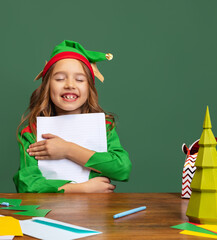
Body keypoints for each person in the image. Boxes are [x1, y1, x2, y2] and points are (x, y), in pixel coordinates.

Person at [13, 40, 132, 193]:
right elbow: (26, 184)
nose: (70, 85)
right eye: (60, 79)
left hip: (96, 213)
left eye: (80, 79)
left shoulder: (104, 126)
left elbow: (122, 169)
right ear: (47, 87)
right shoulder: (31, 132)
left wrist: (68, 150)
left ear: (89, 87)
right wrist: (81, 189)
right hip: (47, 213)